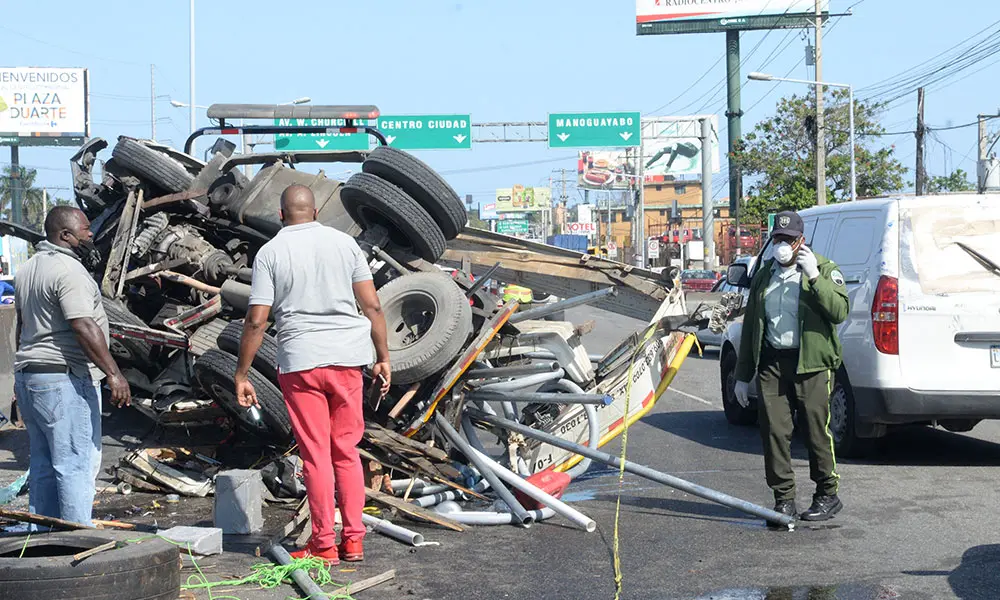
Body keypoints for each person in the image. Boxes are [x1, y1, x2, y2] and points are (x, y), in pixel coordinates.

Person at [235, 184, 390, 565]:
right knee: (347, 452)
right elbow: (371, 304)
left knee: (316, 456)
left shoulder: (270, 252)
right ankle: (353, 541)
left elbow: (257, 320)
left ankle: (323, 544)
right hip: (347, 360)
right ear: (316, 211)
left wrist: (241, 373)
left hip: (301, 362)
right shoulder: (344, 245)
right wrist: (383, 357)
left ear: (281, 214)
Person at [14, 206, 131, 527]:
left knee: (43, 463)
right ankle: (78, 540)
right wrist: (114, 373)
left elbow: (21, 326)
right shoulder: (70, 271)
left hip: (31, 377)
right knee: (75, 464)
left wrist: (19, 373)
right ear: (65, 236)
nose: (91, 234)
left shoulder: (28, 268)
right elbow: (82, 324)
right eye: (85, 229)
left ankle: (45, 538)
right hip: (63, 380)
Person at [733, 210, 849, 528]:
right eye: (777, 239)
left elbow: (839, 311)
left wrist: (814, 278)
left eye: (788, 240)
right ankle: (783, 500)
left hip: (811, 363)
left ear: (801, 241)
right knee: (773, 431)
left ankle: (827, 493)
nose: (782, 245)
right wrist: (743, 376)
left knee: (815, 431)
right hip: (773, 362)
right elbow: (751, 327)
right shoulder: (764, 274)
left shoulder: (823, 269)